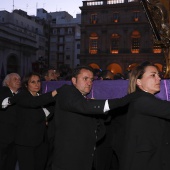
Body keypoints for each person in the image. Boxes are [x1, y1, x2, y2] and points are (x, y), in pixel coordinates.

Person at [52, 65, 140, 170]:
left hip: (85, 157)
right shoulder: (67, 91)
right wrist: (126, 99)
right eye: (85, 79)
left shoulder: (84, 100)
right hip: (69, 159)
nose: (89, 83)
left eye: (91, 80)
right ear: (74, 80)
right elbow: (84, 107)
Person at [120, 62, 170, 170]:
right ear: (139, 81)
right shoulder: (141, 100)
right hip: (144, 161)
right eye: (153, 75)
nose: (159, 78)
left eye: (158, 75)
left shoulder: (147, 99)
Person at [9, 72, 57, 170]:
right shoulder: (22, 96)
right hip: (26, 143)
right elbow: (35, 103)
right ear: (26, 85)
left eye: (38, 81)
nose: (37, 84)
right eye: (33, 82)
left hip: (42, 142)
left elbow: (50, 110)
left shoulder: (42, 97)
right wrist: (55, 92)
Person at [0, 73, 21, 170]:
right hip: (3, 137)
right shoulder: (4, 91)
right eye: (15, 79)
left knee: (11, 163)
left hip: (15, 137)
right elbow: (3, 103)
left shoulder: (20, 94)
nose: (18, 81)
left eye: (19, 79)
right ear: (7, 82)